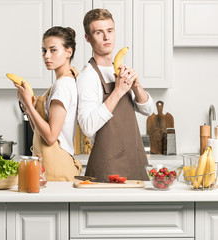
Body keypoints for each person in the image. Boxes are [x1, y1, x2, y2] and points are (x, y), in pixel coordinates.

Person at [77, 9, 155, 181]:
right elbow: (88, 126)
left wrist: (136, 86)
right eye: (99, 32)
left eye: (110, 31)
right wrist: (118, 91)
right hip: (108, 165)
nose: (106, 37)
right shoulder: (87, 77)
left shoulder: (119, 70)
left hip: (135, 159)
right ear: (88, 38)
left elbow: (149, 110)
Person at [15, 26, 82, 181]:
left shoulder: (63, 85)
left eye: (53, 50)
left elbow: (51, 137)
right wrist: (28, 109)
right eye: (44, 51)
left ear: (68, 52)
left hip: (57, 168)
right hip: (53, 165)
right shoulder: (62, 83)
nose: (47, 56)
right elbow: (40, 133)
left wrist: (30, 106)